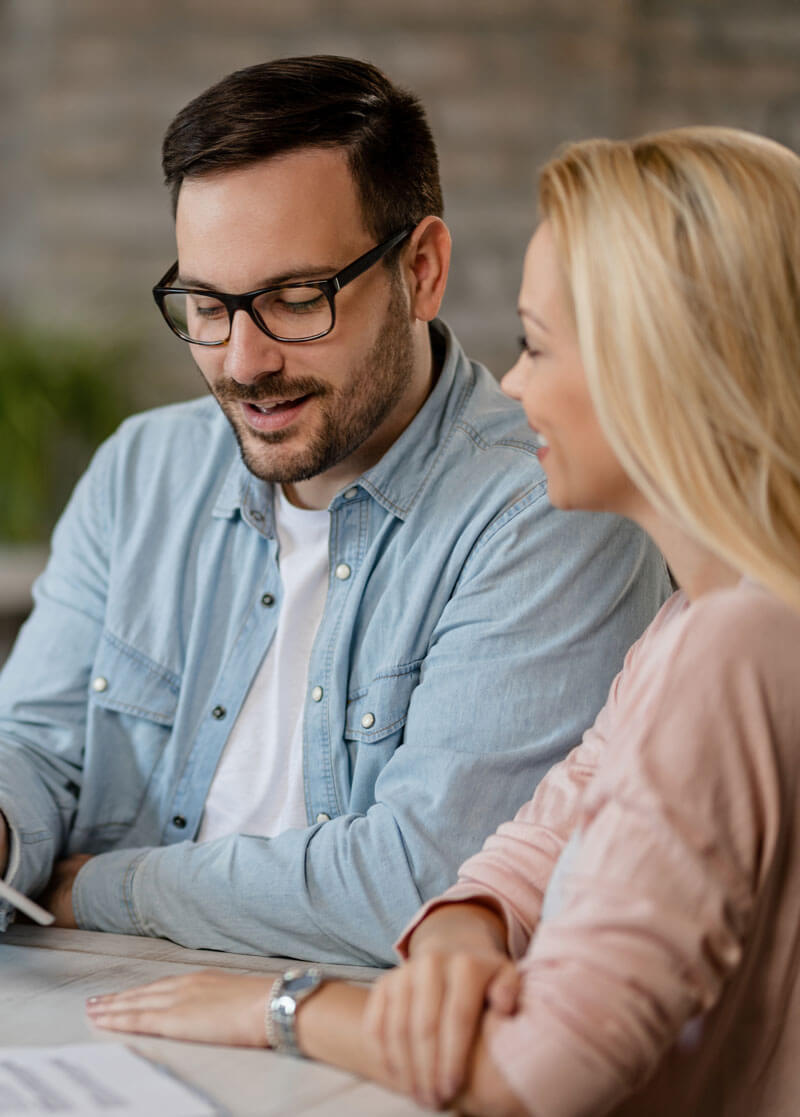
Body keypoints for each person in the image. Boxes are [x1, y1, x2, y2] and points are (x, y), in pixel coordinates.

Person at [88, 124, 800, 1117]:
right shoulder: (694, 621)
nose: (511, 385)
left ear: (665, 369)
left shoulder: (741, 646)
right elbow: (533, 840)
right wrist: (464, 929)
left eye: (537, 345)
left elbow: (536, 1072)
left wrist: (280, 1007)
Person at [0, 57, 667, 964]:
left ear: (421, 271)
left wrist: (104, 886)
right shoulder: (141, 471)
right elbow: (32, 742)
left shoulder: (550, 507)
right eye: (206, 304)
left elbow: (426, 880)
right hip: (91, 1010)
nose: (242, 361)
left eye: (294, 299)